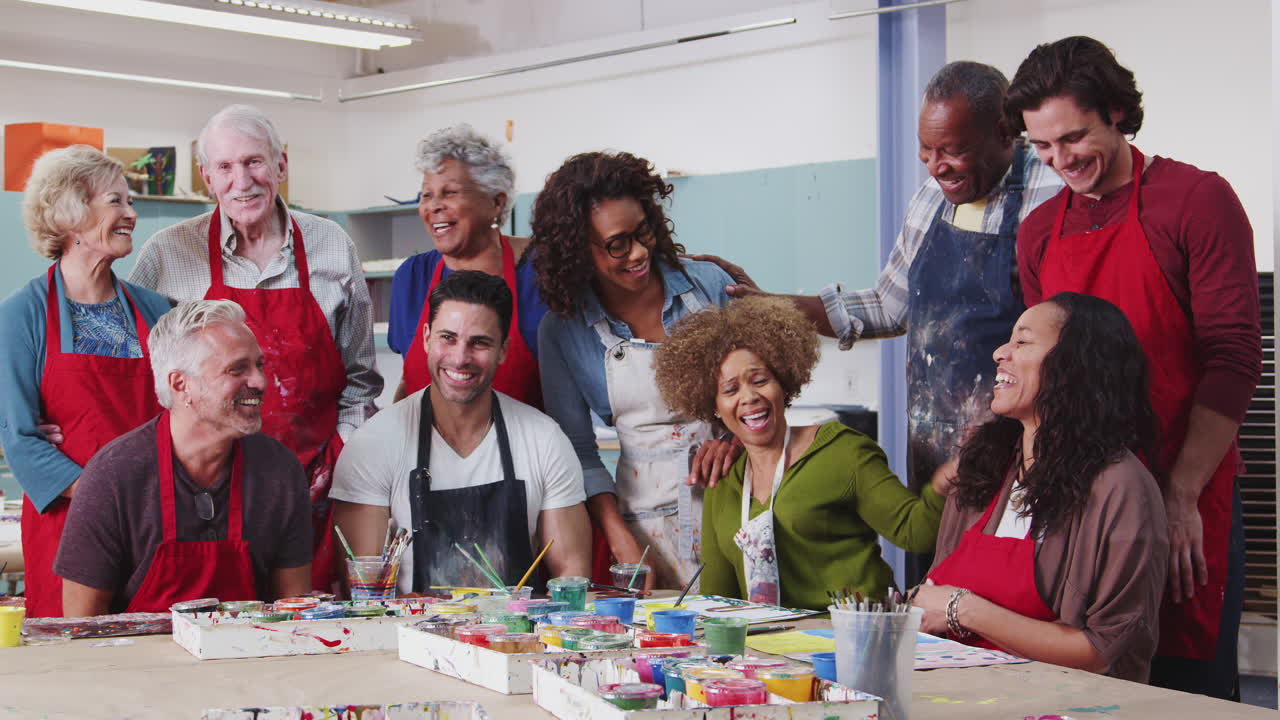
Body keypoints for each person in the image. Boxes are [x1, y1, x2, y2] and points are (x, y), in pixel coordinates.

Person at [1007, 36, 1261, 698]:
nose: (1060, 161)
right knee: (1074, 685)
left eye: (1073, 138)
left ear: (1117, 112)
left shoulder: (1195, 201)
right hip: (1079, 502)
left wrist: (1179, 498)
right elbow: (1043, 372)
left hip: (1186, 482)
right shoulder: (1039, 232)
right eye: (1041, 147)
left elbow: (1233, 358)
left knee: (1181, 689)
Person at [695, 62, 1064, 502]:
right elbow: (888, 307)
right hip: (933, 447)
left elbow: (1070, 340)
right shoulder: (932, 198)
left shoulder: (1054, 190)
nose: (935, 167)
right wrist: (770, 304)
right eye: (925, 151)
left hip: (1022, 445)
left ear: (1005, 132)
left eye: (951, 150)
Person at [129, 104, 383, 591]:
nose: (241, 181)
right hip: (203, 497)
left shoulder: (332, 245)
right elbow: (140, 370)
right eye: (224, 167)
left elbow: (360, 380)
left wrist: (341, 457)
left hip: (315, 490)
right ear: (206, 177)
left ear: (281, 165)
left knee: (310, 626)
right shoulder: (166, 254)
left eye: (254, 162)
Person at [915, 293, 1170, 683]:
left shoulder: (1122, 488)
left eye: (1022, 342)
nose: (1001, 353)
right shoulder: (984, 469)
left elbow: (1102, 652)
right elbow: (931, 598)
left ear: (1075, 365)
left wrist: (963, 609)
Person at [653, 297, 947, 611]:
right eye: (730, 390)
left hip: (857, 638)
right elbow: (717, 600)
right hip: (775, 651)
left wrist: (943, 487)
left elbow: (916, 533)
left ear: (784, 382)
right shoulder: (723, 480)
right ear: (713, 406)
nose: (749, 397)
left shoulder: (843, 451)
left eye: (760, 380)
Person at [533, 151, 734, 589]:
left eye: (643, 231)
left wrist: (736, 439)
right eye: (617, 244)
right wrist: (619, 536)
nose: (639, 253)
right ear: (576, 250)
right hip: (645, 526)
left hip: (738, 506)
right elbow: (578, 453)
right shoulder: (563, 332)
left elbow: (766, 391)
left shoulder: (710, 286)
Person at [332, 271, 591, 591]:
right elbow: (363, 592)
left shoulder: (544, 440)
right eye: (448, 337)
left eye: (480, 342)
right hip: (410, 636)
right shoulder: (373, 444)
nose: (460, 357)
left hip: (518, 636)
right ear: (426, 338)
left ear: (503, 350)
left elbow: (571, 574)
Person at [54, 300, 312, 615]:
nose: (260, 381)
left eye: (259, 365)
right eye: (237, 369)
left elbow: (295, 614)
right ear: (180, 384)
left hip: (249, 657)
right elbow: (83, 626)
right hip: (137, 662)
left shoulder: (280, 472)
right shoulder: (113, 476)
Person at [0, 146, 171, 617]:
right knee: (76, 666)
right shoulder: (22, 315)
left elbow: (184, 412)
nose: (131, 214)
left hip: (154, 521)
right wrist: (107, 493)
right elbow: (20, 438)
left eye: (129, 202)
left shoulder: (157, 311)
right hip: (69, 525)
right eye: (115, 201)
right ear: (69, 212)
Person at [390, 124, 546, 407]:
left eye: (450, 193)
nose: (434, 206)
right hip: (427, 447)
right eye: (427, 195)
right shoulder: (412, 277)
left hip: (523, 449)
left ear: (496, 202)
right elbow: (408, 382)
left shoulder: (540, 271)